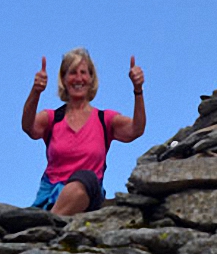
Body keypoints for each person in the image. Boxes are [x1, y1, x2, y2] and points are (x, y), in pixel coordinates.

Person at [22, 48, 145, 216]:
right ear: (64, 79)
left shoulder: (104, 119)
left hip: (88, 193)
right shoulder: (53, 118)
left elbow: (136, 129)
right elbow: (29, 127)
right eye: (72, 73)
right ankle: (52, 217)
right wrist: (36, 91)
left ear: (91, 78)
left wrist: (138, 90)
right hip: (51, 194)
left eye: (83, 73)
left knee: (86, 178)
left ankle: (52, 221)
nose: (78, 78)